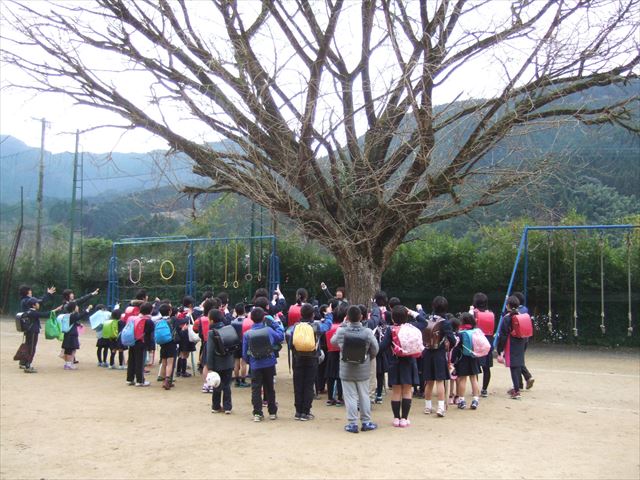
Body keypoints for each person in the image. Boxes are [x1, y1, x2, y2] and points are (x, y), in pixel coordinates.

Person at [330, 305, 379, 434]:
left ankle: (352, 423)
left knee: (350, 397)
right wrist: (368, 358)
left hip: (346, 368)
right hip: (363, 368)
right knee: (364, 395)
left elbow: (333, 341)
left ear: (347, 317)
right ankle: (366, 421)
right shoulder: (367, 332)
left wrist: (342, 325)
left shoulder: (342, 331)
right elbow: (375, 348)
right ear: (361, 317)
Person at [379, 304, 427, 427]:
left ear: (392, 318)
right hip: (410, 362)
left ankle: (396, 418)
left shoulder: (391, 330)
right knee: (407, 391)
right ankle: (404, 418)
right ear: (406, 316)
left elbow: (382, 347)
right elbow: (424, 322)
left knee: (396, 392)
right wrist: (411, 312)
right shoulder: (412, 327)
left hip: (395, 362)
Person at [288, 303, 332, 421]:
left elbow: (290, 341)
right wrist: (329, 314)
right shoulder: (316, 327)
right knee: (308, 385)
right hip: (312, 358)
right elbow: (328, 326)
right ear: (313, 315)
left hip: (297, 358)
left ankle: (298, 411)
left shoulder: (295, 327)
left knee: (298, 385)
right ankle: (305, 412)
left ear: (301, 314)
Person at [242, 307, 285, 422]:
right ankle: (272, 412)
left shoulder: (247, 334)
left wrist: (250, 361)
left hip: (255, 364)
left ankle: (257, 413)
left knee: (256, 389)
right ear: (263, 318)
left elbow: (244, 354)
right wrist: (275, 324)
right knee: (270, 388)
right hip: (269, 362)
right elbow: (280, 336)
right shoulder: (269, 330)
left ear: (251, 318)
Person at [423, 296, 457, 417]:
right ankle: (440, 407)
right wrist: (449, 347)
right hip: (439, 353)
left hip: (427, 352)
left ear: (433, 306)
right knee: (440, 381)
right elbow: (452, 340)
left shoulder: (428, 319)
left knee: (429, 381)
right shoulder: (445, 322)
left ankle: (428, 407)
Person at [497, 295, 530, 399]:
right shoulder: (521, 316)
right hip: (521, 343)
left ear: (507, 305)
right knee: (518, 366)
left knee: (513, 368)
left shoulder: (507, 318)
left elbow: (503, 335)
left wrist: (499, 348)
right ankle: (517, 387)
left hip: (511, 344)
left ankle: (516, 391)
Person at [19, 297, 62, 373]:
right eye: (37, 303)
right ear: (33, 305)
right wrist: (56, 310)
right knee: (32, 348)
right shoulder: (33, 313)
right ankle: (28, 366)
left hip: (29, 332)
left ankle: (23, 362)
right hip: (33, 332)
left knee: (28, 347)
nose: (38, 304)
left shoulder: (28, 312)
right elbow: (45, 314)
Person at [207, 309, 235, 414]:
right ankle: (227, 407)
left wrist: (210, 366)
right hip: (228, 362)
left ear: (212, 320)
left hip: (217, 363)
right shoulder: (228, 328)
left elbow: (210, 351)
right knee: (227, 385)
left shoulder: (211, 333)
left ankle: (216, 406)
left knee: (217, 384)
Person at [453, 313, 481, 410]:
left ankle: (461, 400)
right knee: (474, 379)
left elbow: (456, 348)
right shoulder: (476, 331)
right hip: (474, 357)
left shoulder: (460, 333)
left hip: (463, 358)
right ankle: (475, 400)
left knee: (462, 379)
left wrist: (453, 360)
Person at [470, 292, 495, 397]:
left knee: (475, 368)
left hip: (476, 343)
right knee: (486, 368)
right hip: (488, 342)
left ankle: (475, 389)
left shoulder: (474, 313)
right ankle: (484, 389)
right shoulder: (491, 313)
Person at [125, 301, 154, 387]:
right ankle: (140, 380)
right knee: (140, 362)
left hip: (132, 341)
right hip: (142, 343)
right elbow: (150, 333)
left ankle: (129, 379)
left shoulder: (133, 318)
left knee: (131, 360)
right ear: (150, 311)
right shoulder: (148, 321)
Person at [324, 301, 345, 406]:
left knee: (330, 376)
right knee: (340, 376)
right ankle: (340, 398)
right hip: (341, 353)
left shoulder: (329, 327)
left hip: (330, 353)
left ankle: (330, 398)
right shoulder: (342, 328)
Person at [513, 292, 535, 390]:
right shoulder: (525, 309)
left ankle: (526, 378)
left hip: (517, 339)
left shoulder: (516, 311)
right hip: (525, 339)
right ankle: (521, 382)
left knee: (516, 361)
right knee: (519, 360)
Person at [61, 301, 92, 370]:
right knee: (72, 350)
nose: (78, 307)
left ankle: (67, 364)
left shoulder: (67, 315)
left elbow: (73, 322)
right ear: (73, 308)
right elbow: (80, 316)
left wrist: (78, 324)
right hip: (72, 335)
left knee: (68, 350)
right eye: (76, 306)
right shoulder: (73, 315)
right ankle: (69, 364)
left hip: (67, 334)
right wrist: (88, 309)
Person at [156, 303, 178, 390]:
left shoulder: (159, 321)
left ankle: (163, 381)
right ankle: (167, 381)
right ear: (170, 311)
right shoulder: (172, 320)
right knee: (170, 363)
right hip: (171, 343)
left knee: (164, 363)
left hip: (162, 344)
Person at [230, 303, 251, 388]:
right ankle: (243, 380)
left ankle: (237, 380)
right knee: (244, 362)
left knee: (236, 362)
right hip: (244, 343)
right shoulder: (247, 321)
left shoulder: (233, 322)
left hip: (235, 343)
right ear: (244, 311)